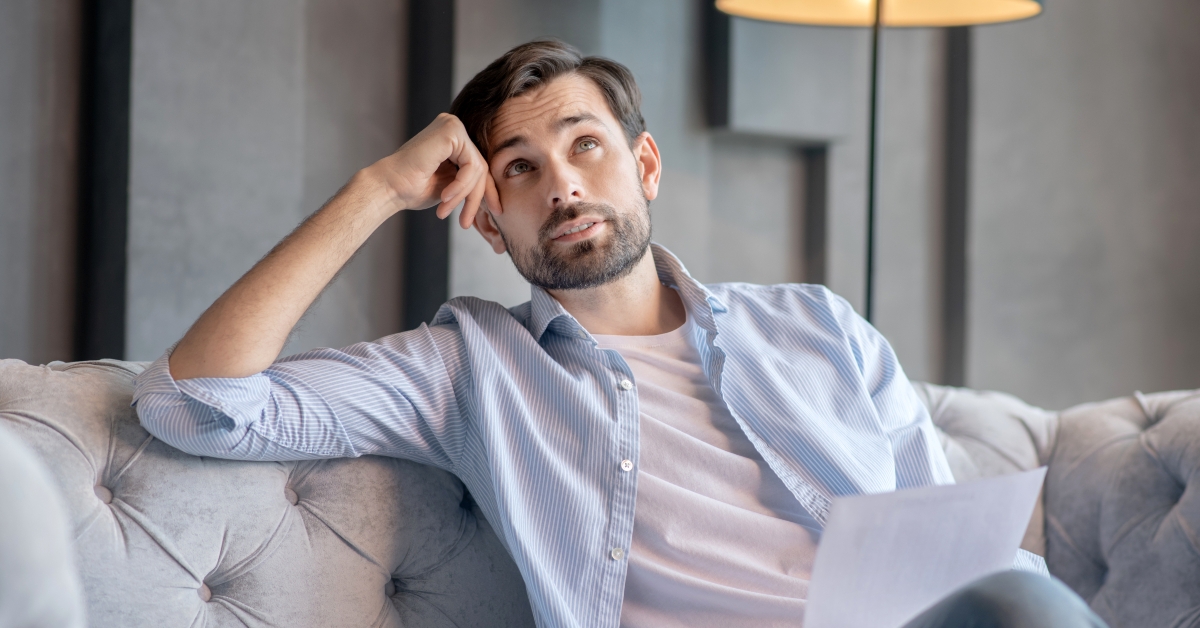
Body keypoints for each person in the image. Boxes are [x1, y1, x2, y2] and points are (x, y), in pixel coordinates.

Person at [133, 40, 1105, 628]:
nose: (560, 182)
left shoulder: (816, 326)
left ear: (644, 165)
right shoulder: (468, 367)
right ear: (484, 217)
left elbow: (949, 542)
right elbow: (195, 400)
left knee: (1022, 597)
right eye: (517, 167)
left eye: (584, 145)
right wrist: (376, 189)